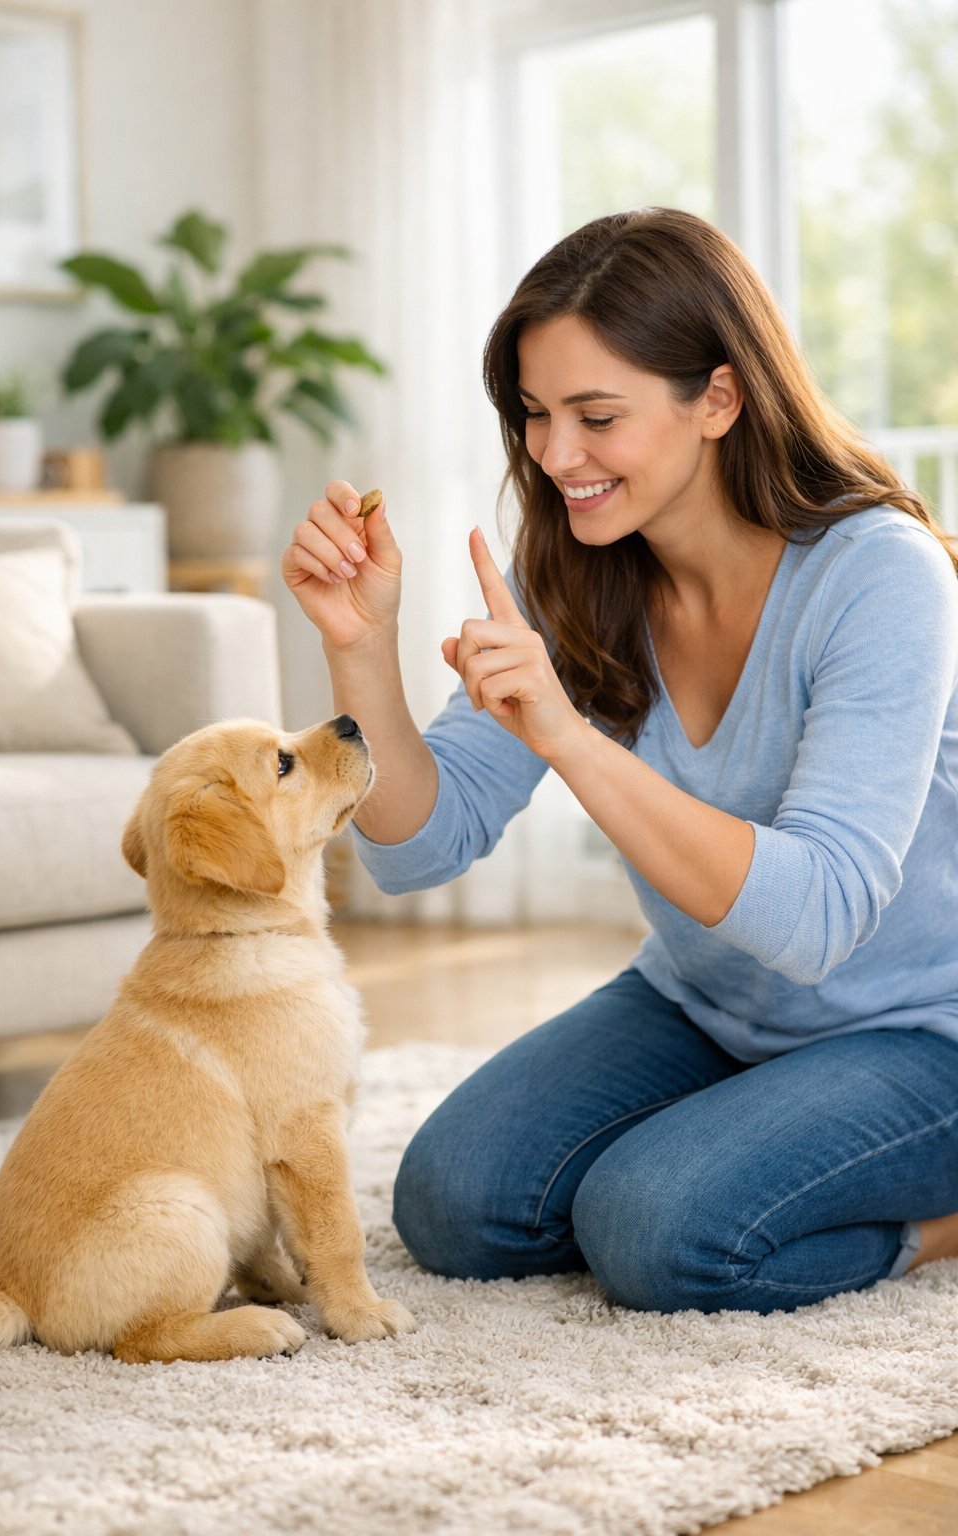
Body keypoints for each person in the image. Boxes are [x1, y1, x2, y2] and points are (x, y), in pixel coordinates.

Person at [281, 206, 958, 1314]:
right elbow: (418, 850)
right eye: (537, 416)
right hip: (707, 1005)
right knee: (455, 1203)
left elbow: (820, 916)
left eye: (596, 416)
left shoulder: (877, 575)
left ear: (718, 400)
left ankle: (931, 1223)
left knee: (658, 1231)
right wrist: (360, 652)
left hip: (920, 1028)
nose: (554, 458)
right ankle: (748, 1137)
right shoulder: (579, 569)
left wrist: (563, 733)